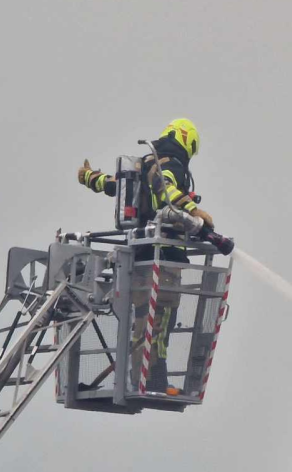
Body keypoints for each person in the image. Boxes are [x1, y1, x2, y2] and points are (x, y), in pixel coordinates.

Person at [76, 118, 214, 393]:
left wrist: (90, 178)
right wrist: (193, 211)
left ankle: (139, 379)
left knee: (143, 320)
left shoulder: (144, 163)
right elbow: (166, 190)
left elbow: (115, 185)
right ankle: (154, 381)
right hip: (165, 258)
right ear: (187, 141)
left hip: (139, 258)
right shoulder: (171, 164)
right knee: (160, 322)